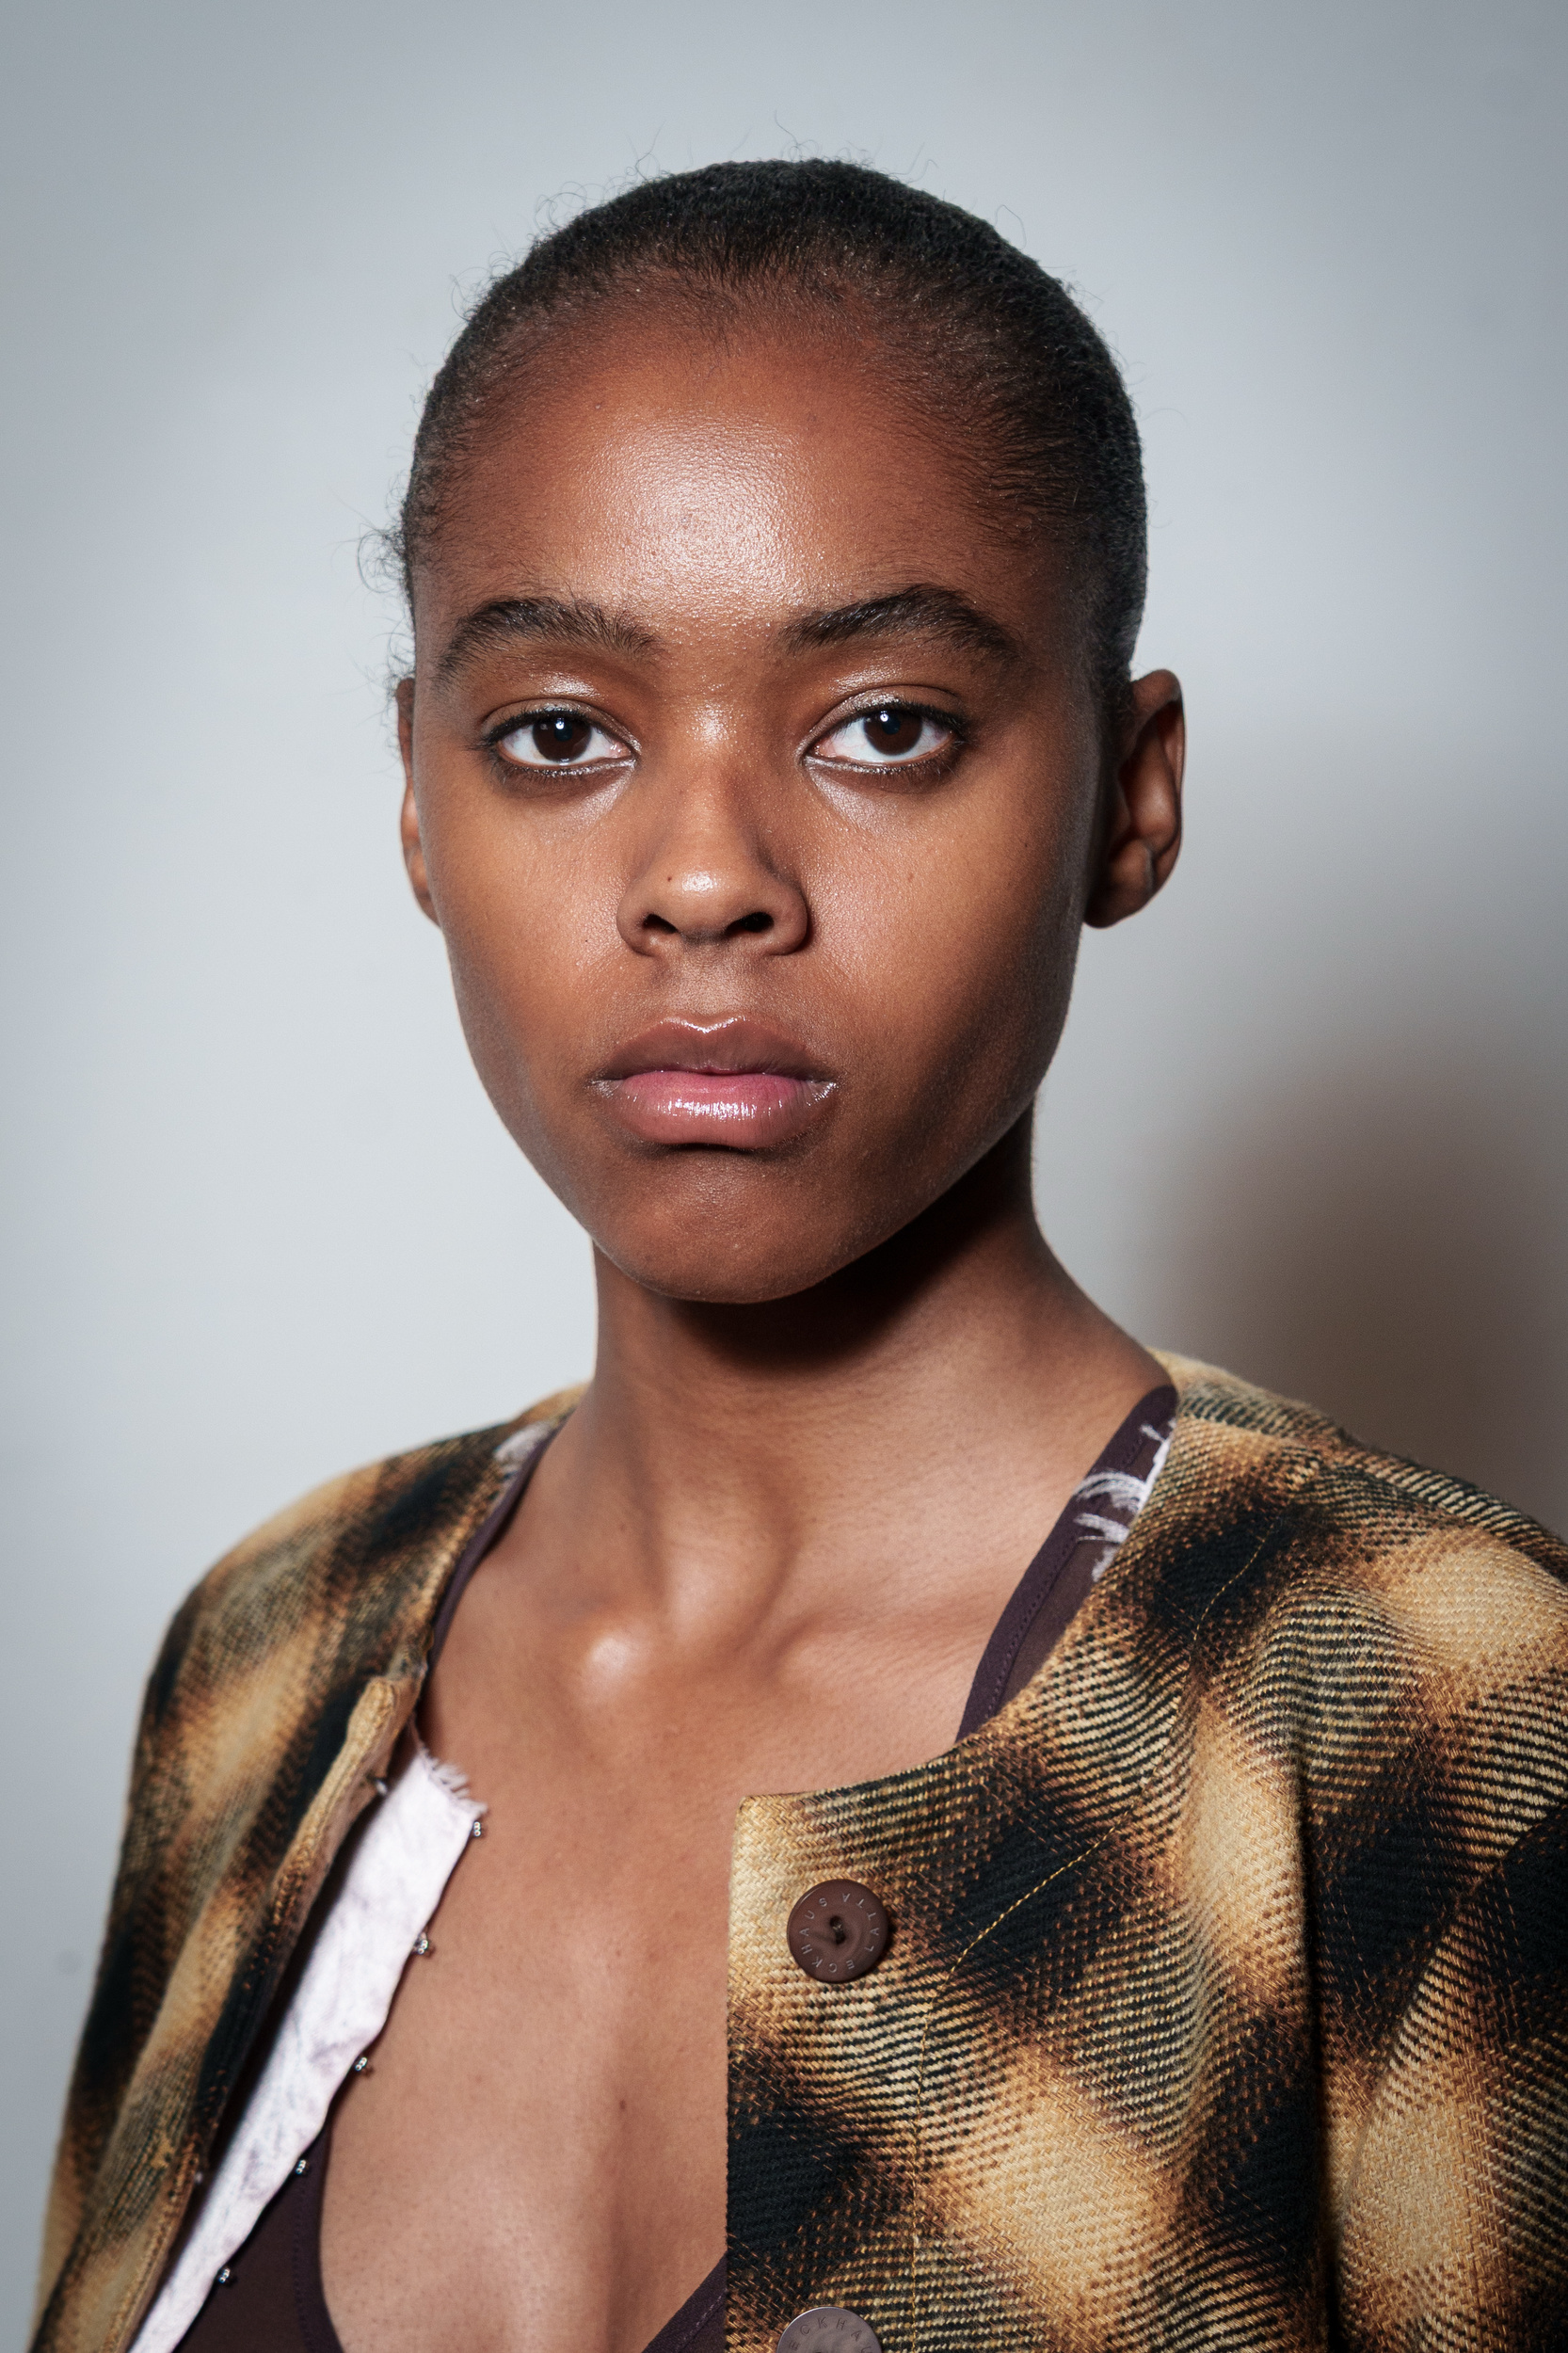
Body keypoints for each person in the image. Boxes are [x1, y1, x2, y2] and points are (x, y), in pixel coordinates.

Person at [32, 161, 1567, 2353]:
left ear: (1126, 797)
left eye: (882, 725)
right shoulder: (265, 1652)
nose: (702, 878)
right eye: (559, 732)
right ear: (416, 800)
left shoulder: (1436, 1697)